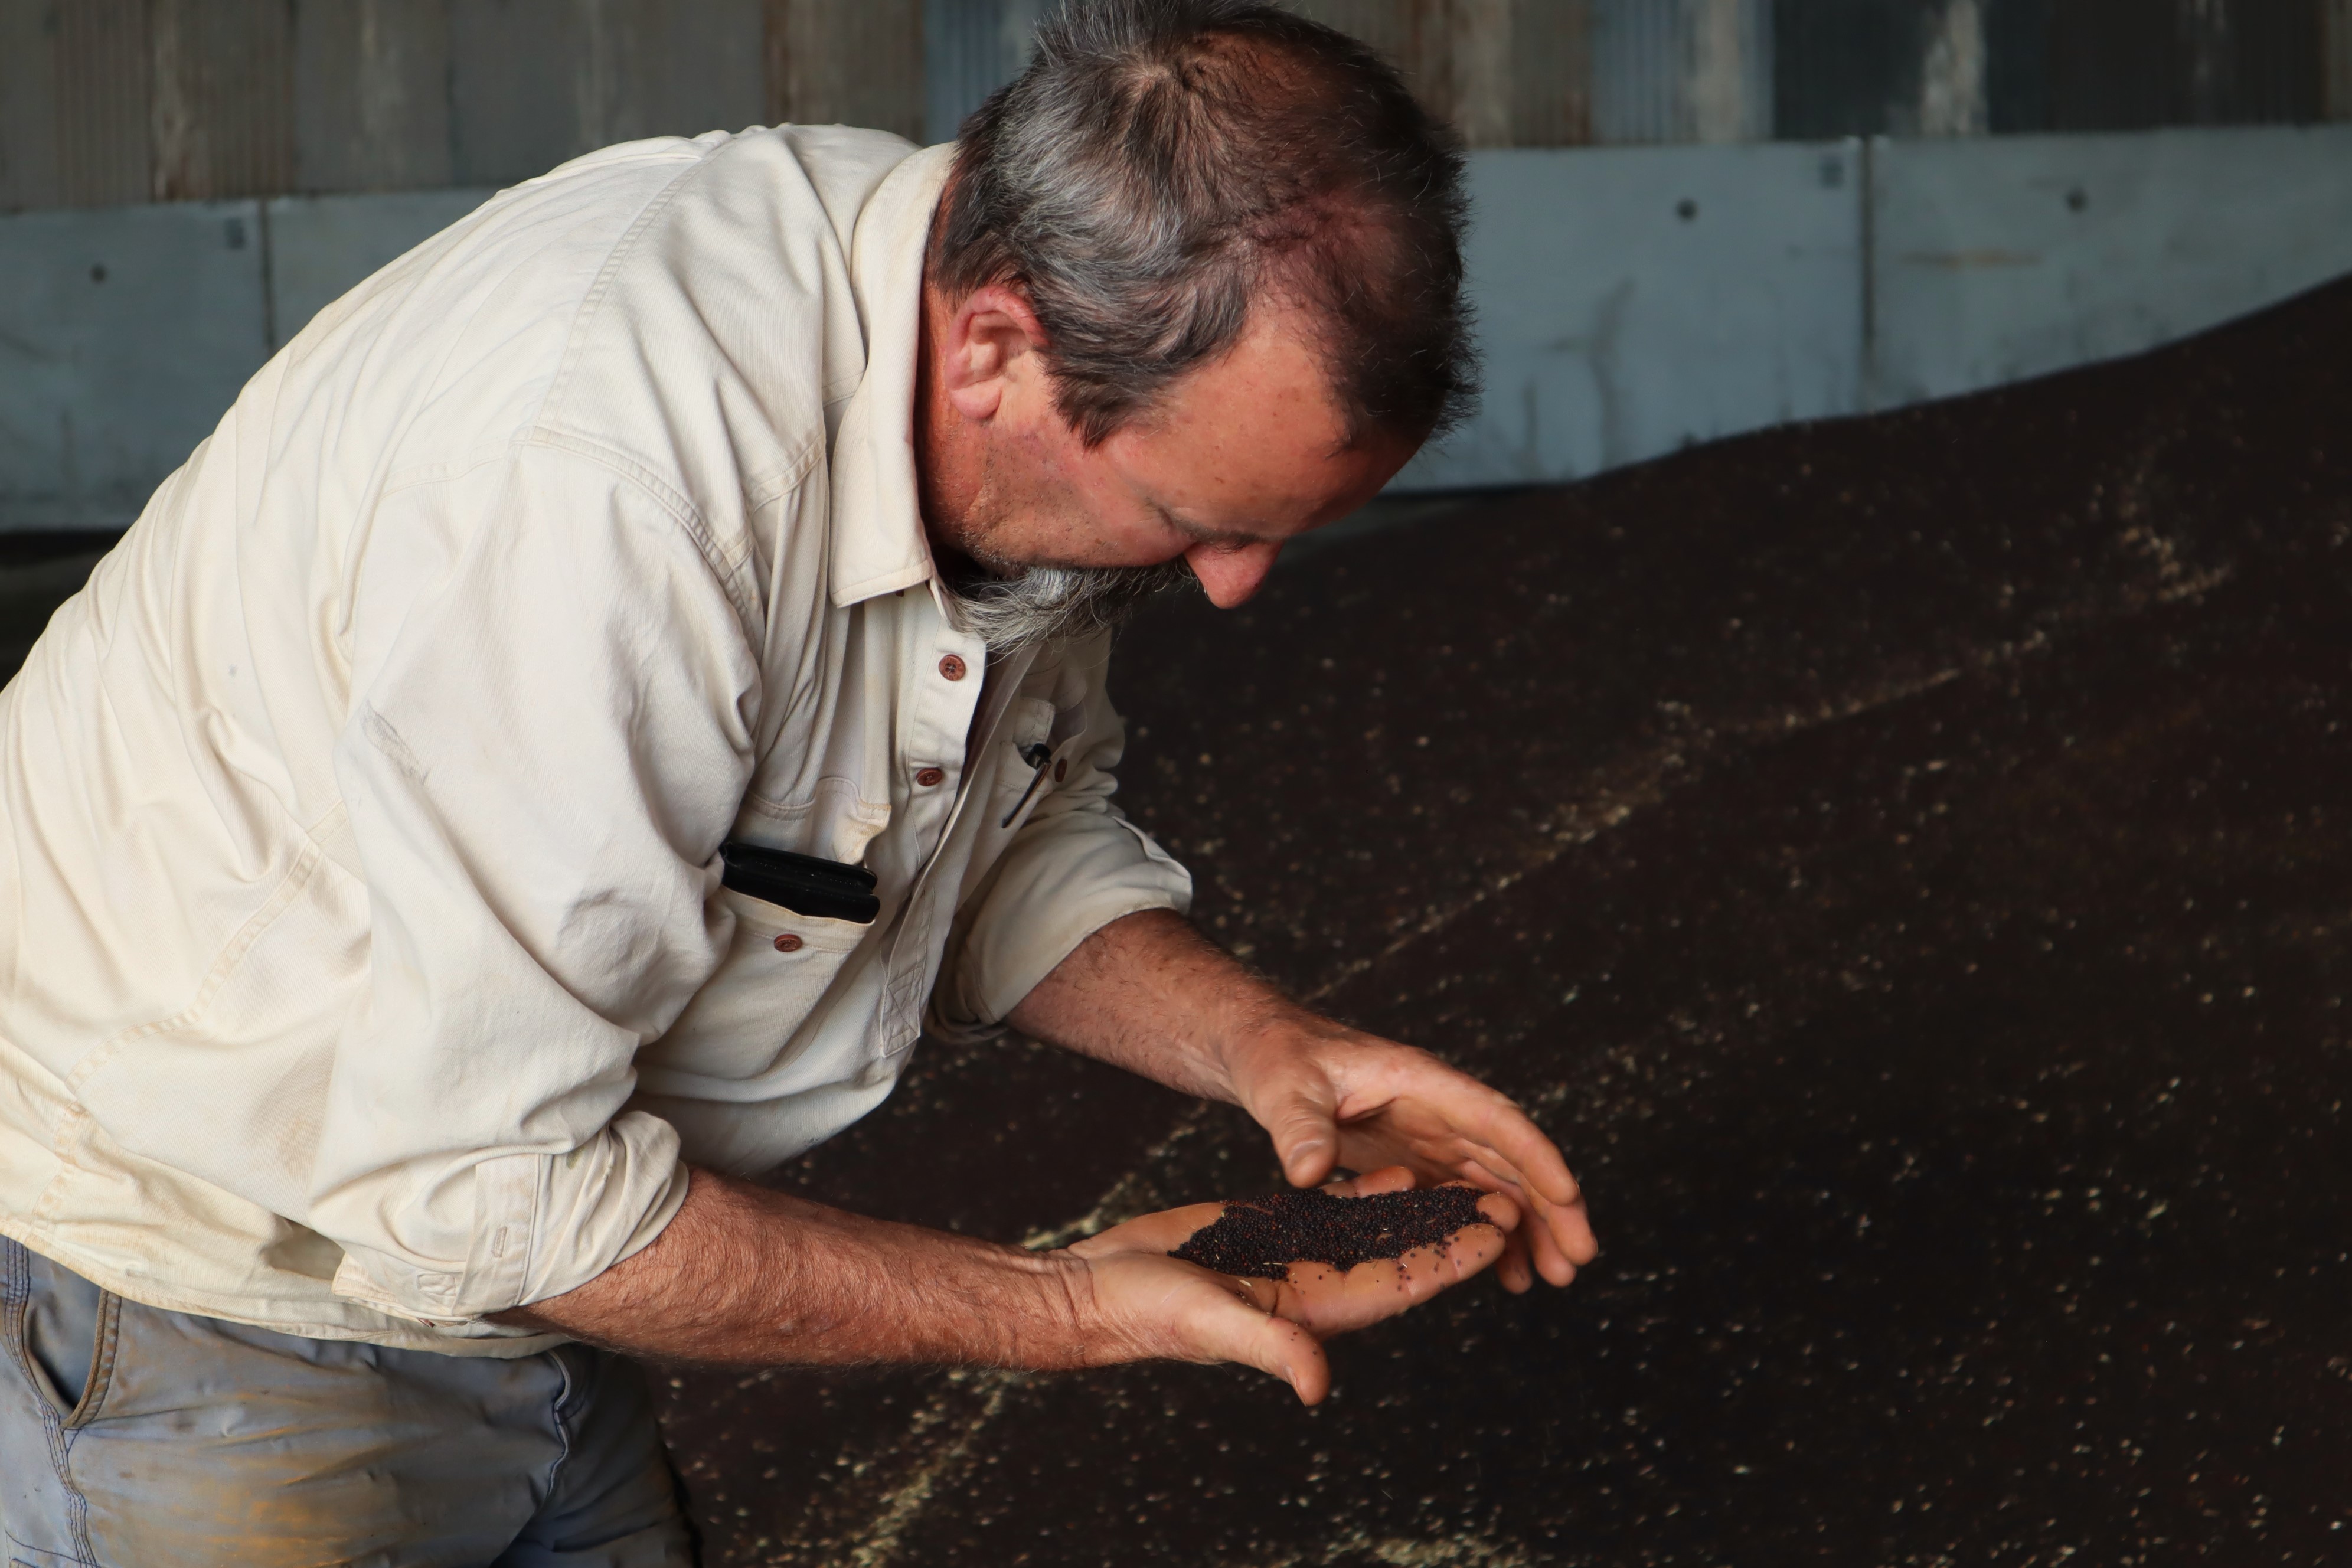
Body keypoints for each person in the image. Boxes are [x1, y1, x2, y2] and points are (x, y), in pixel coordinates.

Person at [0, 0, 1595, 1559]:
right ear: (997, 354)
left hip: (512, 1288)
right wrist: (1062, 1310)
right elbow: (485, 1193)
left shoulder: (987, 325)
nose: (1236, 586)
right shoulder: (609, 504)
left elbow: (984, 840)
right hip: (197, 1294)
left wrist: (1264, 1048)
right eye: (1199, 519)